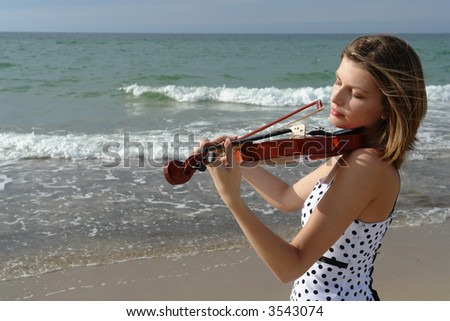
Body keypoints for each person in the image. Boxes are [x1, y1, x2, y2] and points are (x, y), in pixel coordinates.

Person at [198, 34, 427, 301]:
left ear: (388, 108)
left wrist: (232, 199)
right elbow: (287, 198)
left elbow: (290, 266)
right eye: (338, 81)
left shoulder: (367, 165)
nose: (337, 97)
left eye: (356, 94)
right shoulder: (351, 152)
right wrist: (237, 160)